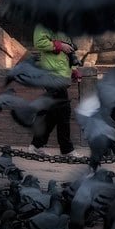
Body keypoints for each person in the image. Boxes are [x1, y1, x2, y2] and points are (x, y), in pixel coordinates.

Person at [28, 24, 82, 157]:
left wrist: (74, 70)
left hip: (62, 76)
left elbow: (69, 54)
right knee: (64, 111)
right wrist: (59, 45)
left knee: (53, 114)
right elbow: (39, 42)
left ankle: (36, 145)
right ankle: (67, 149)